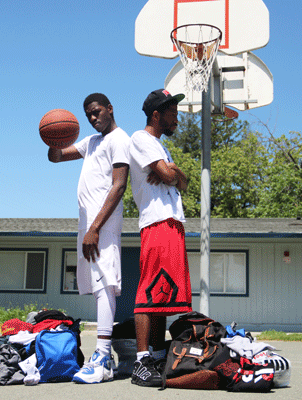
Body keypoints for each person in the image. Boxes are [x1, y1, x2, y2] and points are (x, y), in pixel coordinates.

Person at [47, 93, 130, 384]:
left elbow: (119, 185)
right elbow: (57, 157)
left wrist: (95, 227)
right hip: (88, 222)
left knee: (105, 283)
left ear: (110, 108)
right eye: (88, 115)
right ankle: (102, 357)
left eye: (97, 112)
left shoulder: (119, 139)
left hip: (103, 223)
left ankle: (103, 356)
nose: (93, 118)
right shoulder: (92, 142)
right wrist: (52, 137)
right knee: (96, 286)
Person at [128, 89, 193, 387]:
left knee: (163, 296)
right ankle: (141, 361)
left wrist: (174, 169)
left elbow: (184, 182)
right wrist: (171, 173)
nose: (176, 117)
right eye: (172, 111)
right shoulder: (141, 139)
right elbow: (169, 178)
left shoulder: (161, 149)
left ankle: (154, 355)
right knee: (150, 291)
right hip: (156, 223)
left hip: (172, 224)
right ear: (156, 114)